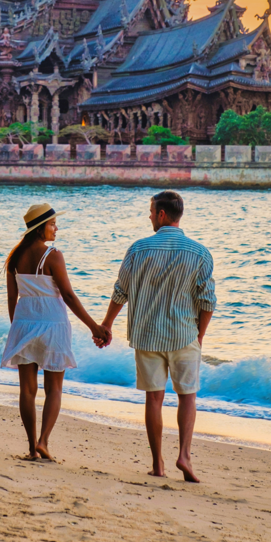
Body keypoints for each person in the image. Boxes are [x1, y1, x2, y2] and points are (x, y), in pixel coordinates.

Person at [96, 190, 216, 482]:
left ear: (162, 214)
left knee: (154, 398)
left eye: (151, 212)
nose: (150, 216)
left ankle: (158, 464)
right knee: (187, 396)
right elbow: (207, 301)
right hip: (184, 333)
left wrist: (106, 325)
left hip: (147, 335)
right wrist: (199, 336)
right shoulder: (199, 252)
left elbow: (120, 292)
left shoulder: (138, 249)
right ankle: (185, 456)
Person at [1, 202, 110, 461]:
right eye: (52, 224)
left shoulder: (14, 257)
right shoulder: (53, 256)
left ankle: (31, 448)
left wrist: (17, 327)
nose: (56, 228)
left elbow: (11, 298)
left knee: (27, 390)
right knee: (54, 389)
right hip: (53, 324)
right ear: (40, 229)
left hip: (24, 322)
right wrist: (95, 326)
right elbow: (69, 296)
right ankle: (44, 442)